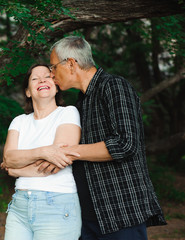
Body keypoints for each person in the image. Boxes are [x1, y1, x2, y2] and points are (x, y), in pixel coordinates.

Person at [42, 35, 166, 239]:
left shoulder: (114, 86)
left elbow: (125, 144)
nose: (51, 73)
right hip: (86, 217)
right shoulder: (80, 104)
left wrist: (68, 152)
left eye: (53, 66)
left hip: (120, 213)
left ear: (71, 64)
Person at [1, 63, 82, 240]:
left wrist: (16, 170)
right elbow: (8, 158)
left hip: (57, 204)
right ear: (28, 92)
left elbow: (55, 163)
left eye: (47, 76)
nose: (42, 80)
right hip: (20, 206)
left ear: (56, 86)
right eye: (35, 78)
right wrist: (42, 151)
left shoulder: (68, 113)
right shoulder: (19, 121)